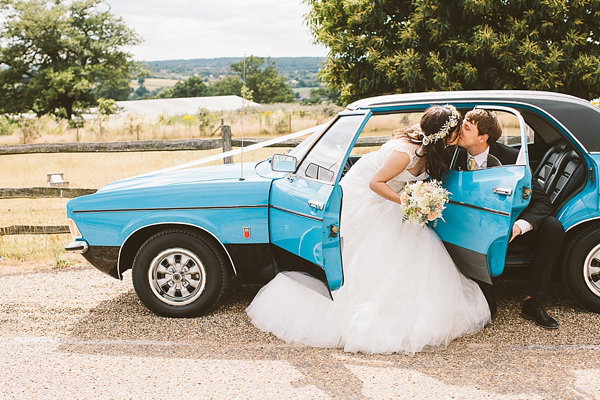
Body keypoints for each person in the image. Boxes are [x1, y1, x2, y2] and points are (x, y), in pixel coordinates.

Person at [246, 105, 491, 355]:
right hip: (368, 197)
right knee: (369, 251)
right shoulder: (405, 153)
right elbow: (376, 183)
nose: (460, 131)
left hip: (392, 195)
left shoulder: (433, 148)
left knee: (414, 245)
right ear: (443, 136)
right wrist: (408, 201)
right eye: (456, 128)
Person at [456, 108, 563, 329]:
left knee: (553, 226)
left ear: (482, 138)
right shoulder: (451, 154)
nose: (460, 130)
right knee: (487, 313)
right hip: (468, 233)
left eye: (466, 127)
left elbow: (542, 201)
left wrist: (519, 226)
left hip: (505, 229)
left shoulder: (512, 157)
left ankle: (534, 301)